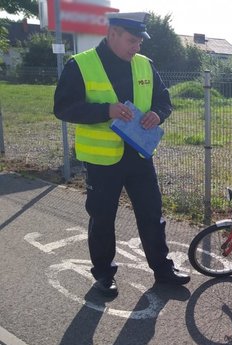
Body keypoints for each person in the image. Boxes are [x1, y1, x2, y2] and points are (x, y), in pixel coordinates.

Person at [53, 12, 190, 297]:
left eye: (140, 42)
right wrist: (106, 111)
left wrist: (157, 114)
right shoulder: (80, 64)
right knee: (102, 218)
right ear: (112, 33)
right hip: (103, 160)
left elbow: (164, 101)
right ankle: (104, 274)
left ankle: (162, 269)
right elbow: (63, 108)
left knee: (152, 215)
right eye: (132, 40)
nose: (137, 47)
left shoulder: (145, 65)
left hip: (139, 155)